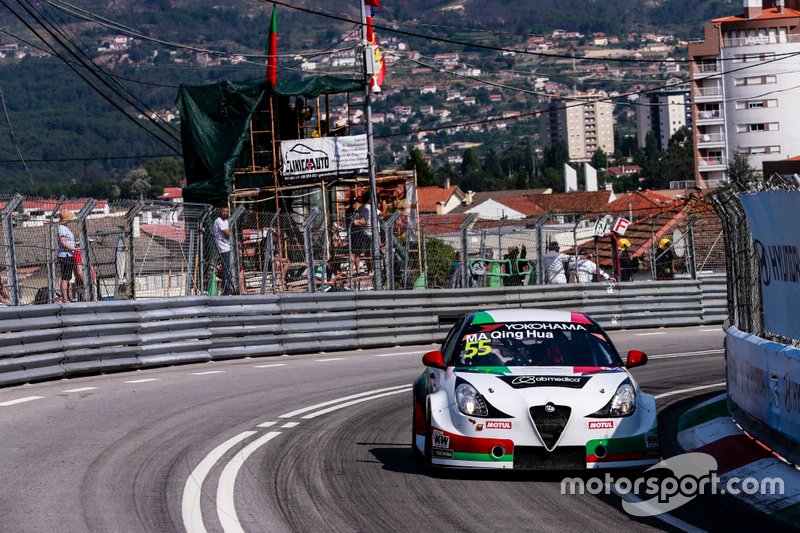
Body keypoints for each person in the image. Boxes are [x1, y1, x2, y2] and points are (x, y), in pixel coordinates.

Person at [57, 210, 78, 302]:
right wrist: (74, 249)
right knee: (65, 278)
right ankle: (65, 298)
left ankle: (67, 297)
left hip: (68, 254)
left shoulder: (65, 227)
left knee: (68, 277)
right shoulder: (62, 228)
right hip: (65, 255)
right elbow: (63, 242)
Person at [213, 206, 233, 295]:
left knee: (228, 269)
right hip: (223, 248)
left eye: (227, 211)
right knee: (226, 270)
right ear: (220, 211)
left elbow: (229, 232)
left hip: (228, 247)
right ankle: (226, 291)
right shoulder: (219, 221)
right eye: (223, 211)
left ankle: (228, 289)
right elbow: (227, 234)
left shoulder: (226, 221)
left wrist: (230, 233)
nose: (225, 213)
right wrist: (231, 234)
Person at [345, 195, 367, 274]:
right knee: (352, 254)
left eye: (354, 203)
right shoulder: (348, 211)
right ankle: (352, 272)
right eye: (352, 203)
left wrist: (357, 222)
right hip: (352, 234)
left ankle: (358, 271)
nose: (353, 205)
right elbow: (351, 222)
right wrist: (358, 222)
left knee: (358, 254)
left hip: (359, 235)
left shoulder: (360, 210)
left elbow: (363, 222)